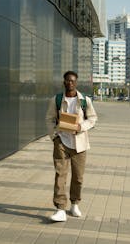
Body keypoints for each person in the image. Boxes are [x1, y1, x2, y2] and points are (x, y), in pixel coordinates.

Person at [46, 71, 97, 222]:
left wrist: (80, 127)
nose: (70, 83)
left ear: (76, 83)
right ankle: (60, 208)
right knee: (60, 175)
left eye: (73, 81)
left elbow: (93, 118)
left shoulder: (84, 100)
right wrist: (54, 137)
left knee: (78, 177)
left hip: (80, 143)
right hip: (61, 141)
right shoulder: (56, 99)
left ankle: (74, 203)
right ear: (64, 82)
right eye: (67, 81)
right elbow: (49, 119)